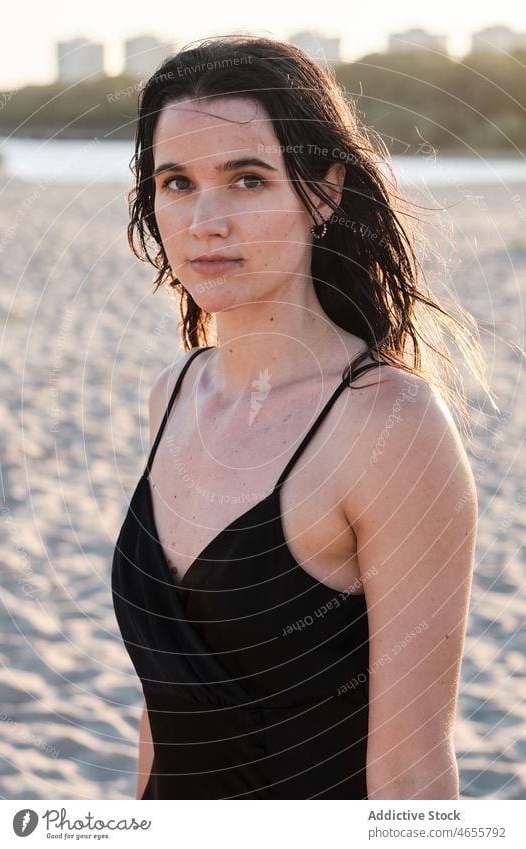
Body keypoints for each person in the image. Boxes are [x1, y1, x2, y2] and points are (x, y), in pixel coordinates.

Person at [111, 34, 495, 800]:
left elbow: (413, 772)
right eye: (176, 182)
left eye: (246, 180)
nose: (204, 221)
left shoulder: (387, 423)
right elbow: (167, 711)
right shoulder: (174, 392)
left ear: (322, 192)